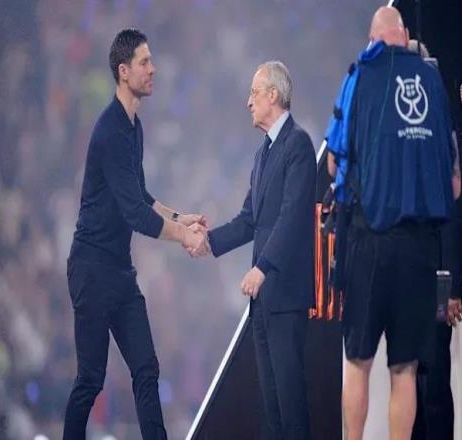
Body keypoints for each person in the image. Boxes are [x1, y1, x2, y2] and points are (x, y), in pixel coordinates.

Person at [63, 28, 208, 440]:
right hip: (91, 269)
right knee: (90, 379)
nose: (153, 69)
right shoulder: (109, 131)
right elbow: (136, 215)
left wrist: (181, 217)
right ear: (123, 72)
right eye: (145, 62)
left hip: (119, 272)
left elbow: (139, 195)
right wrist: (184, 236)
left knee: (147, 368)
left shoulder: (133, 127)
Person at [327, 7, 460, 440]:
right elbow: (454, 182)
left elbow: (334, 164)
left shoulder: (358, 77)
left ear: (372, 38)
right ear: (403, 36)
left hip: (369, 242)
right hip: (419, 250)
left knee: (358, 362)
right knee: (405, 370)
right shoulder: (434, 84)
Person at [192, 61, 316, 439]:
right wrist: (209, 241)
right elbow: (250, 220)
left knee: (291, 406)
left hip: (285, 294)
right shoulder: (263, 154)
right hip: (262, 300)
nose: (248, 102)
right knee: (271, 408)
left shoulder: (298, 144)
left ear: (273, 95)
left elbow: (293, 216)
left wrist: (261, 267)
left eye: (254, 93)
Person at [407, 39, 462, 440]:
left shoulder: (443, 137)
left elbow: (452, 217)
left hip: (438, 279)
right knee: (409, 382)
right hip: (405, 277)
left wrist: (452, 287)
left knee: (434, 382)